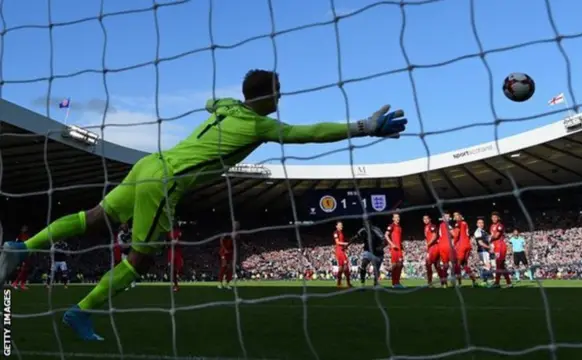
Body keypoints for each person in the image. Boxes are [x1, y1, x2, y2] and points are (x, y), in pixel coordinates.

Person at [0, 69, 408, 341]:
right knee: (141, 260)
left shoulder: (229, 107)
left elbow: (214, 102)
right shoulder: (260, 123)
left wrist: (222, 104)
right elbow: (309, 133)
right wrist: (363, 128)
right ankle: (81, 311)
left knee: (95, 218)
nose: (281, 98)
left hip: (148, 164)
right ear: (267, 96)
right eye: (279, 92)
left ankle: (21, 247)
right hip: (165, 182)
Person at [350, 221, 385, 287]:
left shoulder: (376, 230)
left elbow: (384, 240)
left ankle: (376, 283)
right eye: (364, 225)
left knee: (376, 270)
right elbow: (355, 237)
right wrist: (347, 245)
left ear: (370, 224)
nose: (365, 226)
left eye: (366, 225)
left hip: (378, 253)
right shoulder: (363, 230)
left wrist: (381, 247)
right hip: (368, 251)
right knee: (363, 265)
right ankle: (362, 284)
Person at [452, 211, 475, 287]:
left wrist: (454, 243)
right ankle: (474, 281)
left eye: (456, 215)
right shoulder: (465, 223)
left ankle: (459, 283)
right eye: (454, 216)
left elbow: (456, 234)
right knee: (464, 264)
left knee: (457, 264)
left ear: (460, 216)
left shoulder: (458, 223)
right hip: (468, 245)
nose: (455, 217)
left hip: (461, 245)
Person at [489, 212, 512, 288]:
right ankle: (509, 283)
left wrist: (489, 239)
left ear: (498, 218)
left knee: (498, 265)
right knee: (501, 266)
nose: (493, 219)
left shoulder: (500, 226)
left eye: (495, 217)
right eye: (492, 217)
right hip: (496, 247)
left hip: (500, 246)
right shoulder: (491, 226)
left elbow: (496, 235)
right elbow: (493, 236)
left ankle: (497, 282)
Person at [385, 213, 404, 288]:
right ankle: (394, 283)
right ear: (393, 219)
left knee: (400, 265)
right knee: (394, 265)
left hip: (399, 248)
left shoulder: (399, 227)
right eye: (396, 217)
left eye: (398, 217)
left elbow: (399, 239)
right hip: (394, 249)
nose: (398, 218)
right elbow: (386, 235)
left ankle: (397, 282)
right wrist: (392, 244)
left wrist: (402, 248)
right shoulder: (391, 226)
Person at [423, 215, 441, 287]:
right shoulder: (425, 227)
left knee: (428, 264)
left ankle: (430, 282)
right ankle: (443, 280)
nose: (425, 220)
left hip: (433, 247)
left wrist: (428, 244)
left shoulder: (432, 226)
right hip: (431, 247)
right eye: (424, 219)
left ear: (430, 219)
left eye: (427, 218)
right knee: (437, 265)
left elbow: (434, 236)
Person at [473, 218, 492, 286]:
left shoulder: (483, 231)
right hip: (482, 250)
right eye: (479, 223)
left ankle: (484, 281)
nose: (481, 224)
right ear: (477, 224)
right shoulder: (478, 232)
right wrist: (489, 247)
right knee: (488, 265)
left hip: (485, 250)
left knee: (485, 266)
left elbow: (487, 240)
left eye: (482, 222)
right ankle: (489, 281)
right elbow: (480, 243)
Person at [11, 225, 30, 290]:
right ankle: (15, 283)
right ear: (22, 229)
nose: (25, 229)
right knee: (22, 269)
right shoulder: (19, 236)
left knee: (26, 269)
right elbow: (16, 244)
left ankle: (22, 284)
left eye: (26, 228)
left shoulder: (27, 236)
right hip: (21, 254)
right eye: (24, 228)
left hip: (26, 253)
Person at [333, 221, 351, 288]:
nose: (341, 226)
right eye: (340, 225)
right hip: (339, 250)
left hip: (342, 250)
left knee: (341, 268)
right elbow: (337, 242)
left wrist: (345, 248)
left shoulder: (341, 233)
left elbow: (341, 242)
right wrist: (345, 243)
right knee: (345, 265)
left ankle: (339, 283)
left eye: (342, 225)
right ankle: (347, 283)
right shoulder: (336, 232)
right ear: (336, 226)